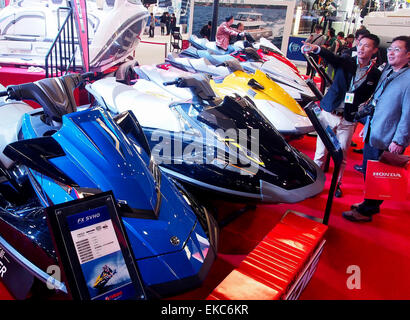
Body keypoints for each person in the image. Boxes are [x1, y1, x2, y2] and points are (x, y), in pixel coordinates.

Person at [301, 34, 382, 198]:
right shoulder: (347, 61)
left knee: (342, 154)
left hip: (348, 118)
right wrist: (316, 49)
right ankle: (313, 183)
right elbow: (331, 57)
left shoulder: (374, 74)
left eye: (366, 46)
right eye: (360, 44)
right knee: (320, 153)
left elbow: (370, 94)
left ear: (374, 50)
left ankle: (337, 184)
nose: (361, 48)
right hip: (329, 113)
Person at [342, 35, 410, 222]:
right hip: (375, 129)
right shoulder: (389, 71)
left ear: (409, 54)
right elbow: (377, 100)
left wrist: (399, 141)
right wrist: (368, 123)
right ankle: (368, 203)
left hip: (389, 136)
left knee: (378, 174)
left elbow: (408, 115)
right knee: (369, 170)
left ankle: (367, 211)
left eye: (397, 49)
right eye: (390, 49)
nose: (391, 53)